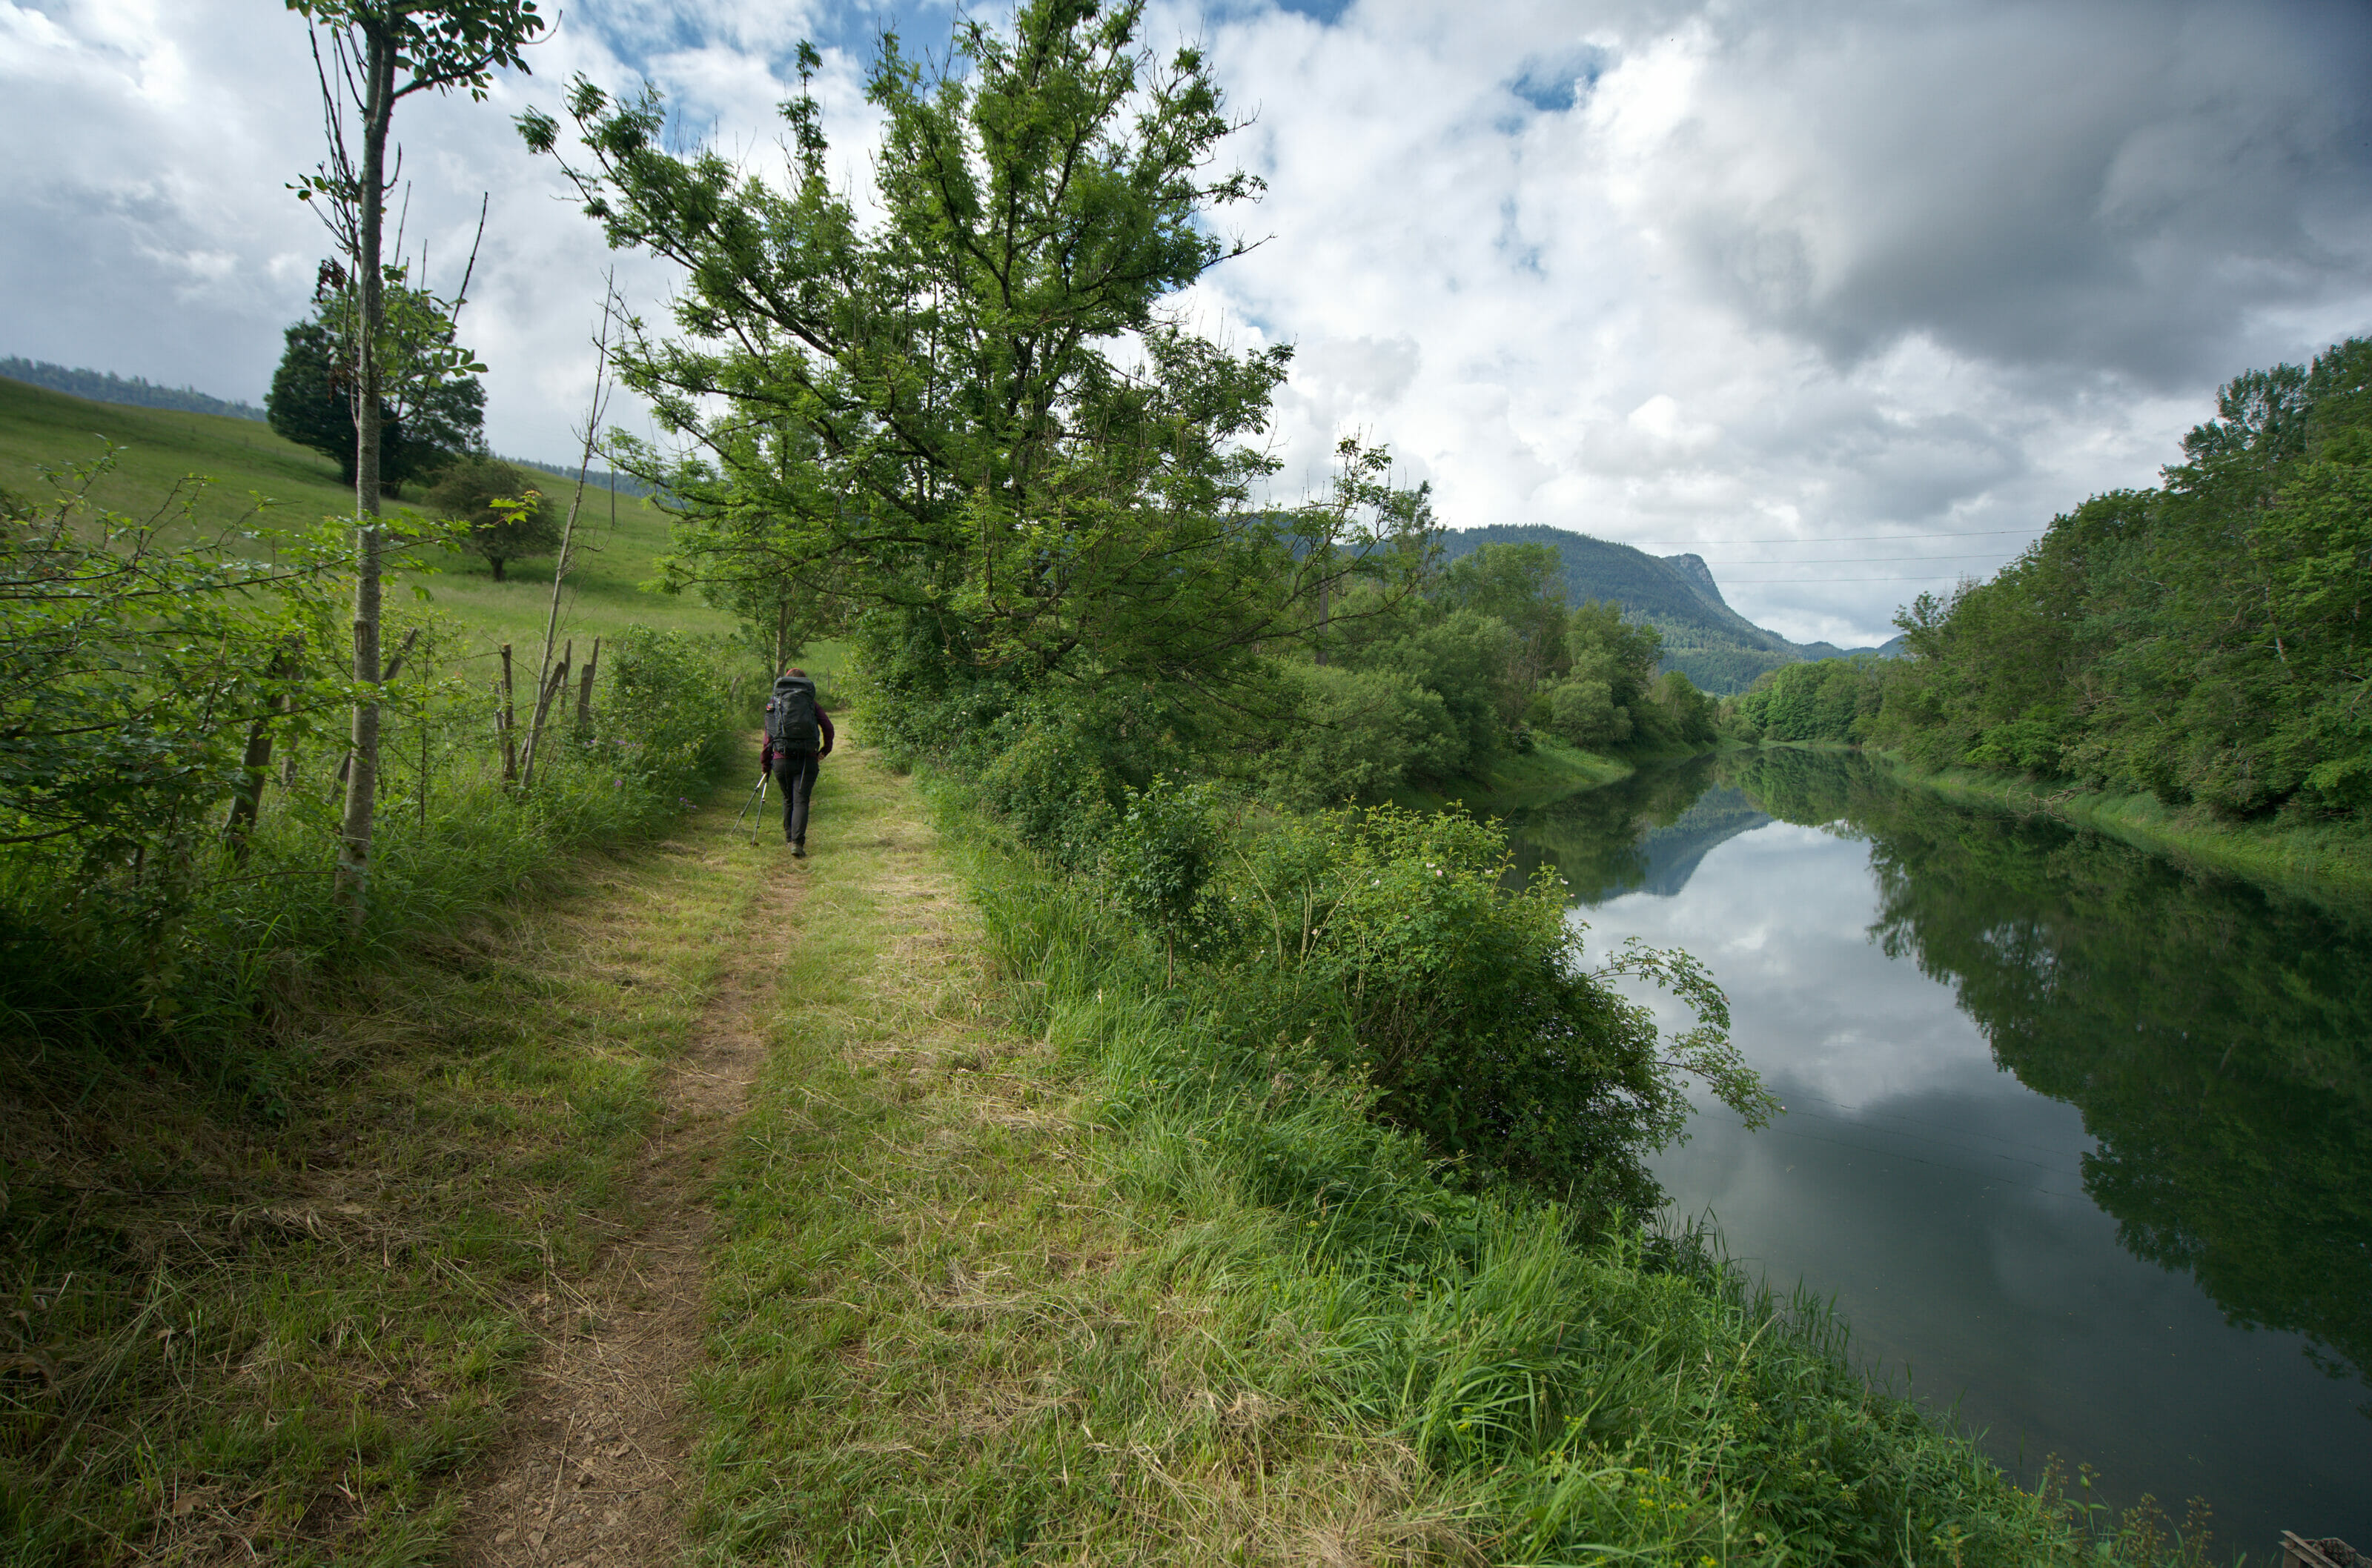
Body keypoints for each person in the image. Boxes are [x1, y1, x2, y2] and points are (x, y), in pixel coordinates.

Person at [758, 665, 834, 856]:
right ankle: (797, 844)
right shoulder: (811, 703)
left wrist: (765, 764)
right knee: (801, 800)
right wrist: (825, 750)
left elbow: (768, 736)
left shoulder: (774, 702)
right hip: (807, 758)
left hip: (781, 759)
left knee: (788, 799)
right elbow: (828, 727)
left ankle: (789, 839)